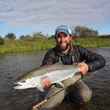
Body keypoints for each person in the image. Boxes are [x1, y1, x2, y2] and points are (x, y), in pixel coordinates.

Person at [41, 25, 105, 108]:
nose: (62, 40)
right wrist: (45, 81)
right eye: (59, 37)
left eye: (65, 36)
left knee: (85, 96)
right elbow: (44, 68)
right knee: (48, 105)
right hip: (58, 84)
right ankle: (63, 96)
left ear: (70, 38)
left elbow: (101, 60)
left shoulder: (79, 50)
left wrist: (88, 66)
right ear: (56, 39)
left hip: (75, 81)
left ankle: (70, 97)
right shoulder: (51, 54)